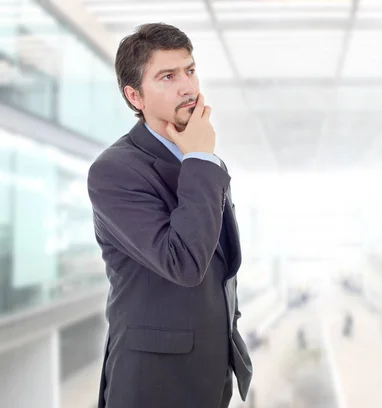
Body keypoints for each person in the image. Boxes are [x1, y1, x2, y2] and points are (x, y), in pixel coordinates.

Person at [87, 23, 252, 408]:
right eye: (168, 76)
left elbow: (220, 261)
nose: (188, 87)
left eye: (190, 71)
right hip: (153, 384)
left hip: (209, 376)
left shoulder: (203, 159)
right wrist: (199, 159)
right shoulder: (115, 170)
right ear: (134, 96)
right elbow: (185, 262)